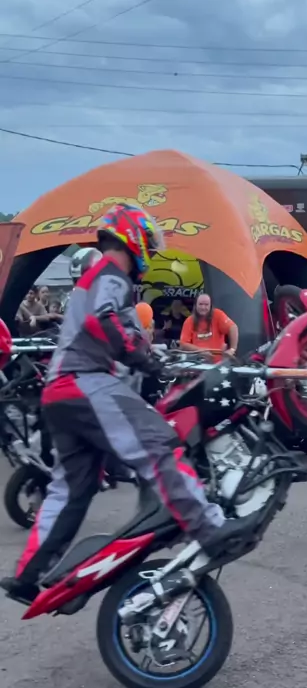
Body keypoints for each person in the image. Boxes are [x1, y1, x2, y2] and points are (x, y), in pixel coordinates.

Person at [1, 204, 248, 605]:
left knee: (71, 489)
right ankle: (207, 527)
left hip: (59, 392)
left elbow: (106, 324)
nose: (151, 250)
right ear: (133, 237)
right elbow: (104, 321)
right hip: (85, 382)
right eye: (149, 241)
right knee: (158, 442)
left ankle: (27, 576)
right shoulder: (111, 274)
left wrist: (144, 354)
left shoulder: (93, 278)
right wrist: (145, 360)